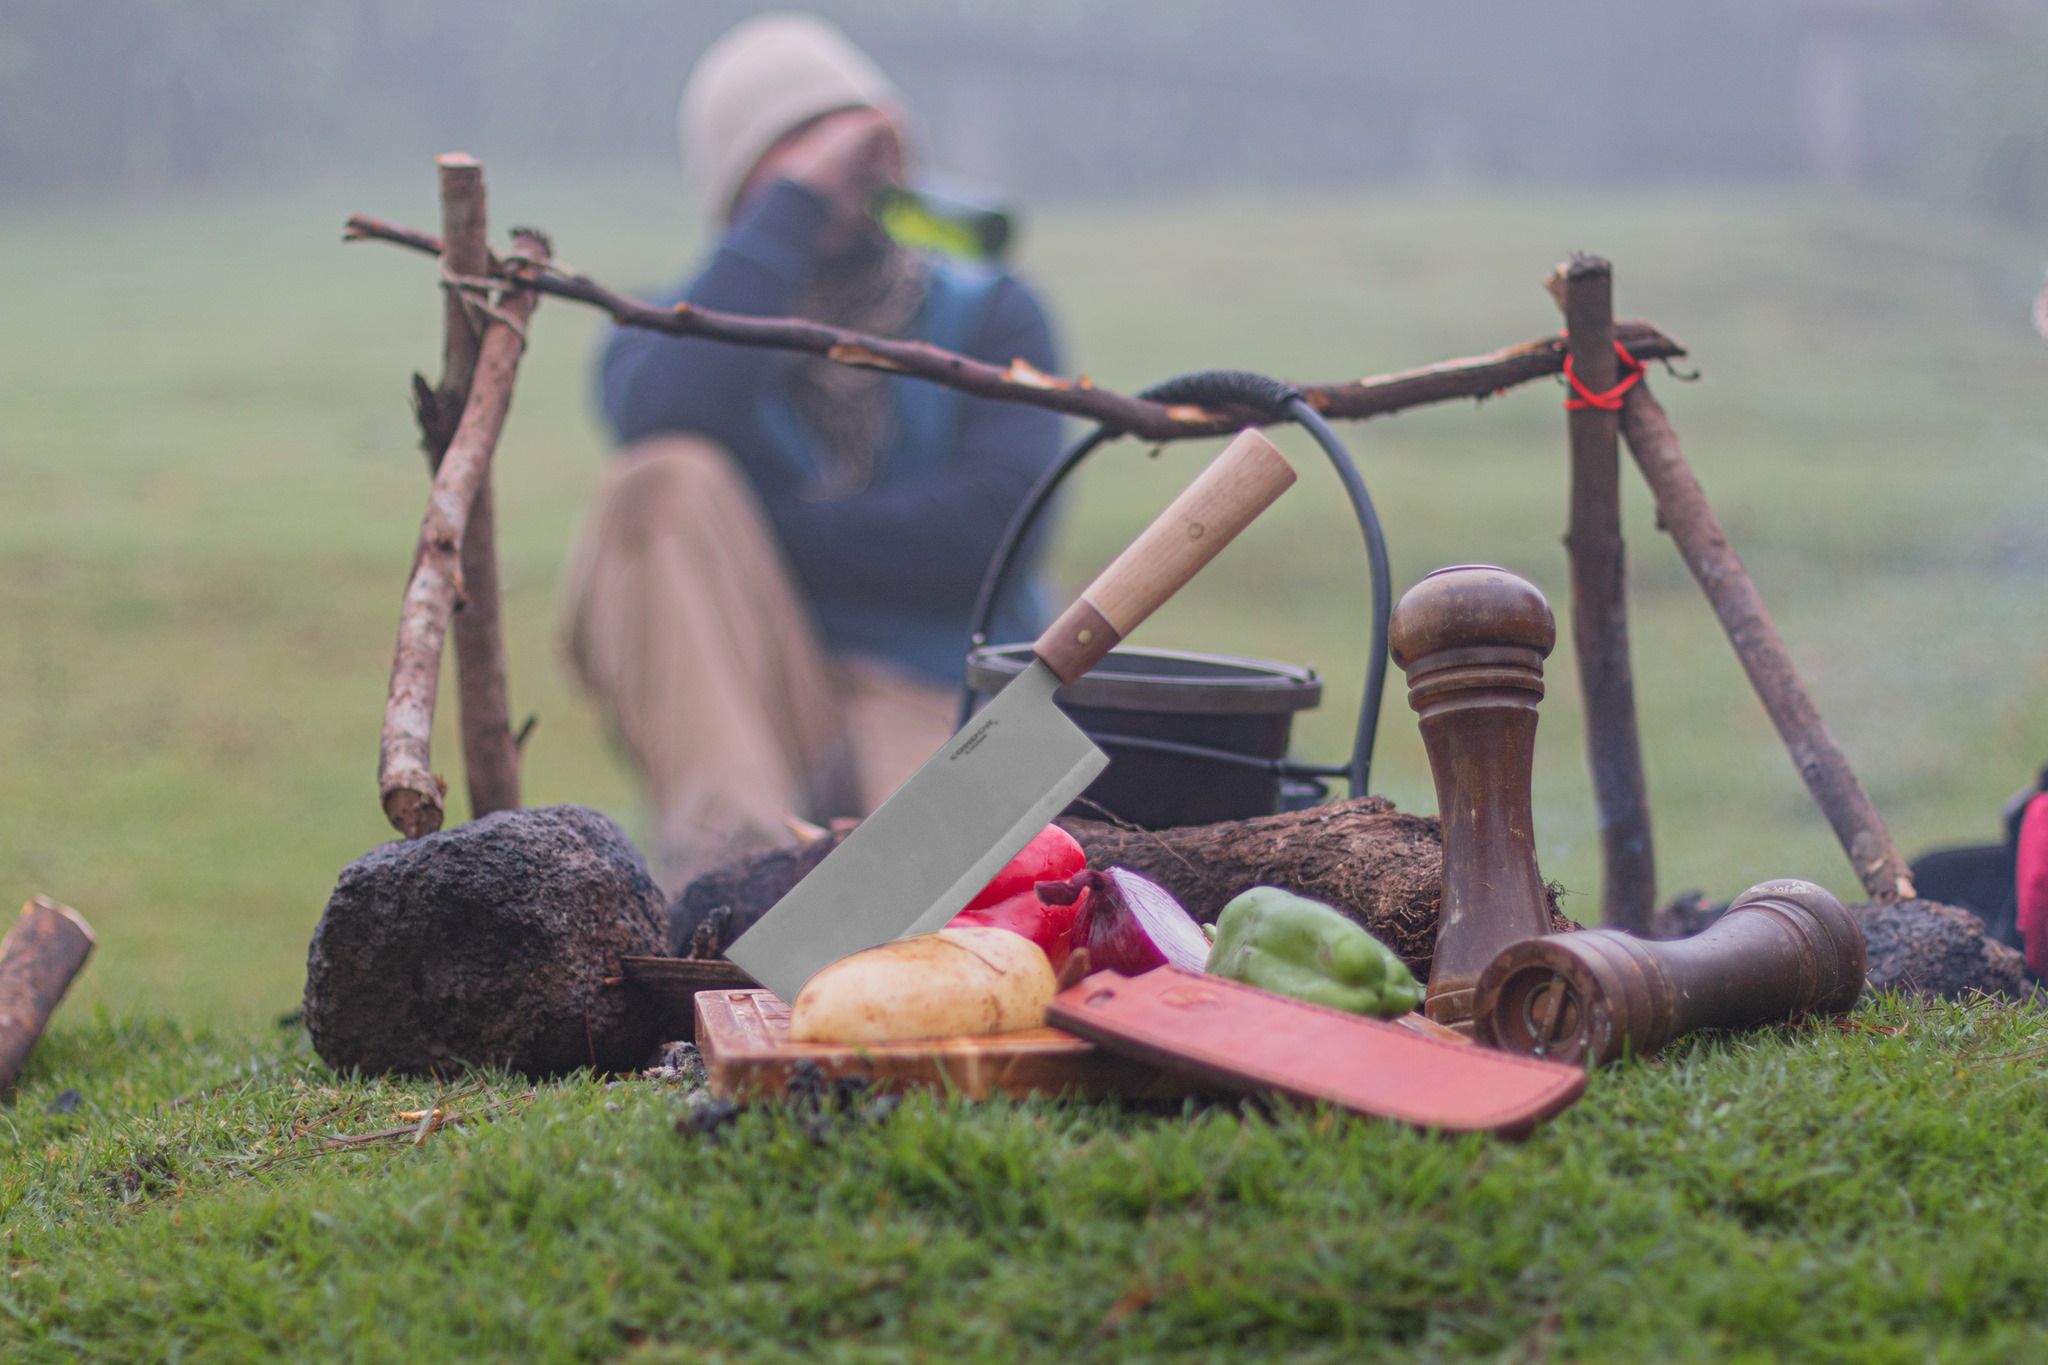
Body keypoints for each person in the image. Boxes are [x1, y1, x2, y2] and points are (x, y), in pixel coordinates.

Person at [557, 14, 1063, 891]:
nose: (841, 163)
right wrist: (790, 213)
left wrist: (780, 534)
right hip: (764, 707)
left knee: (943, 910)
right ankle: (726, 878)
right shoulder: (677, 327)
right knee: (661, 482)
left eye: (851, 130)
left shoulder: (992, 311)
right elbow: (661, 416)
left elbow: (994, 526)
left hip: (943, 695)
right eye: (795, 142)